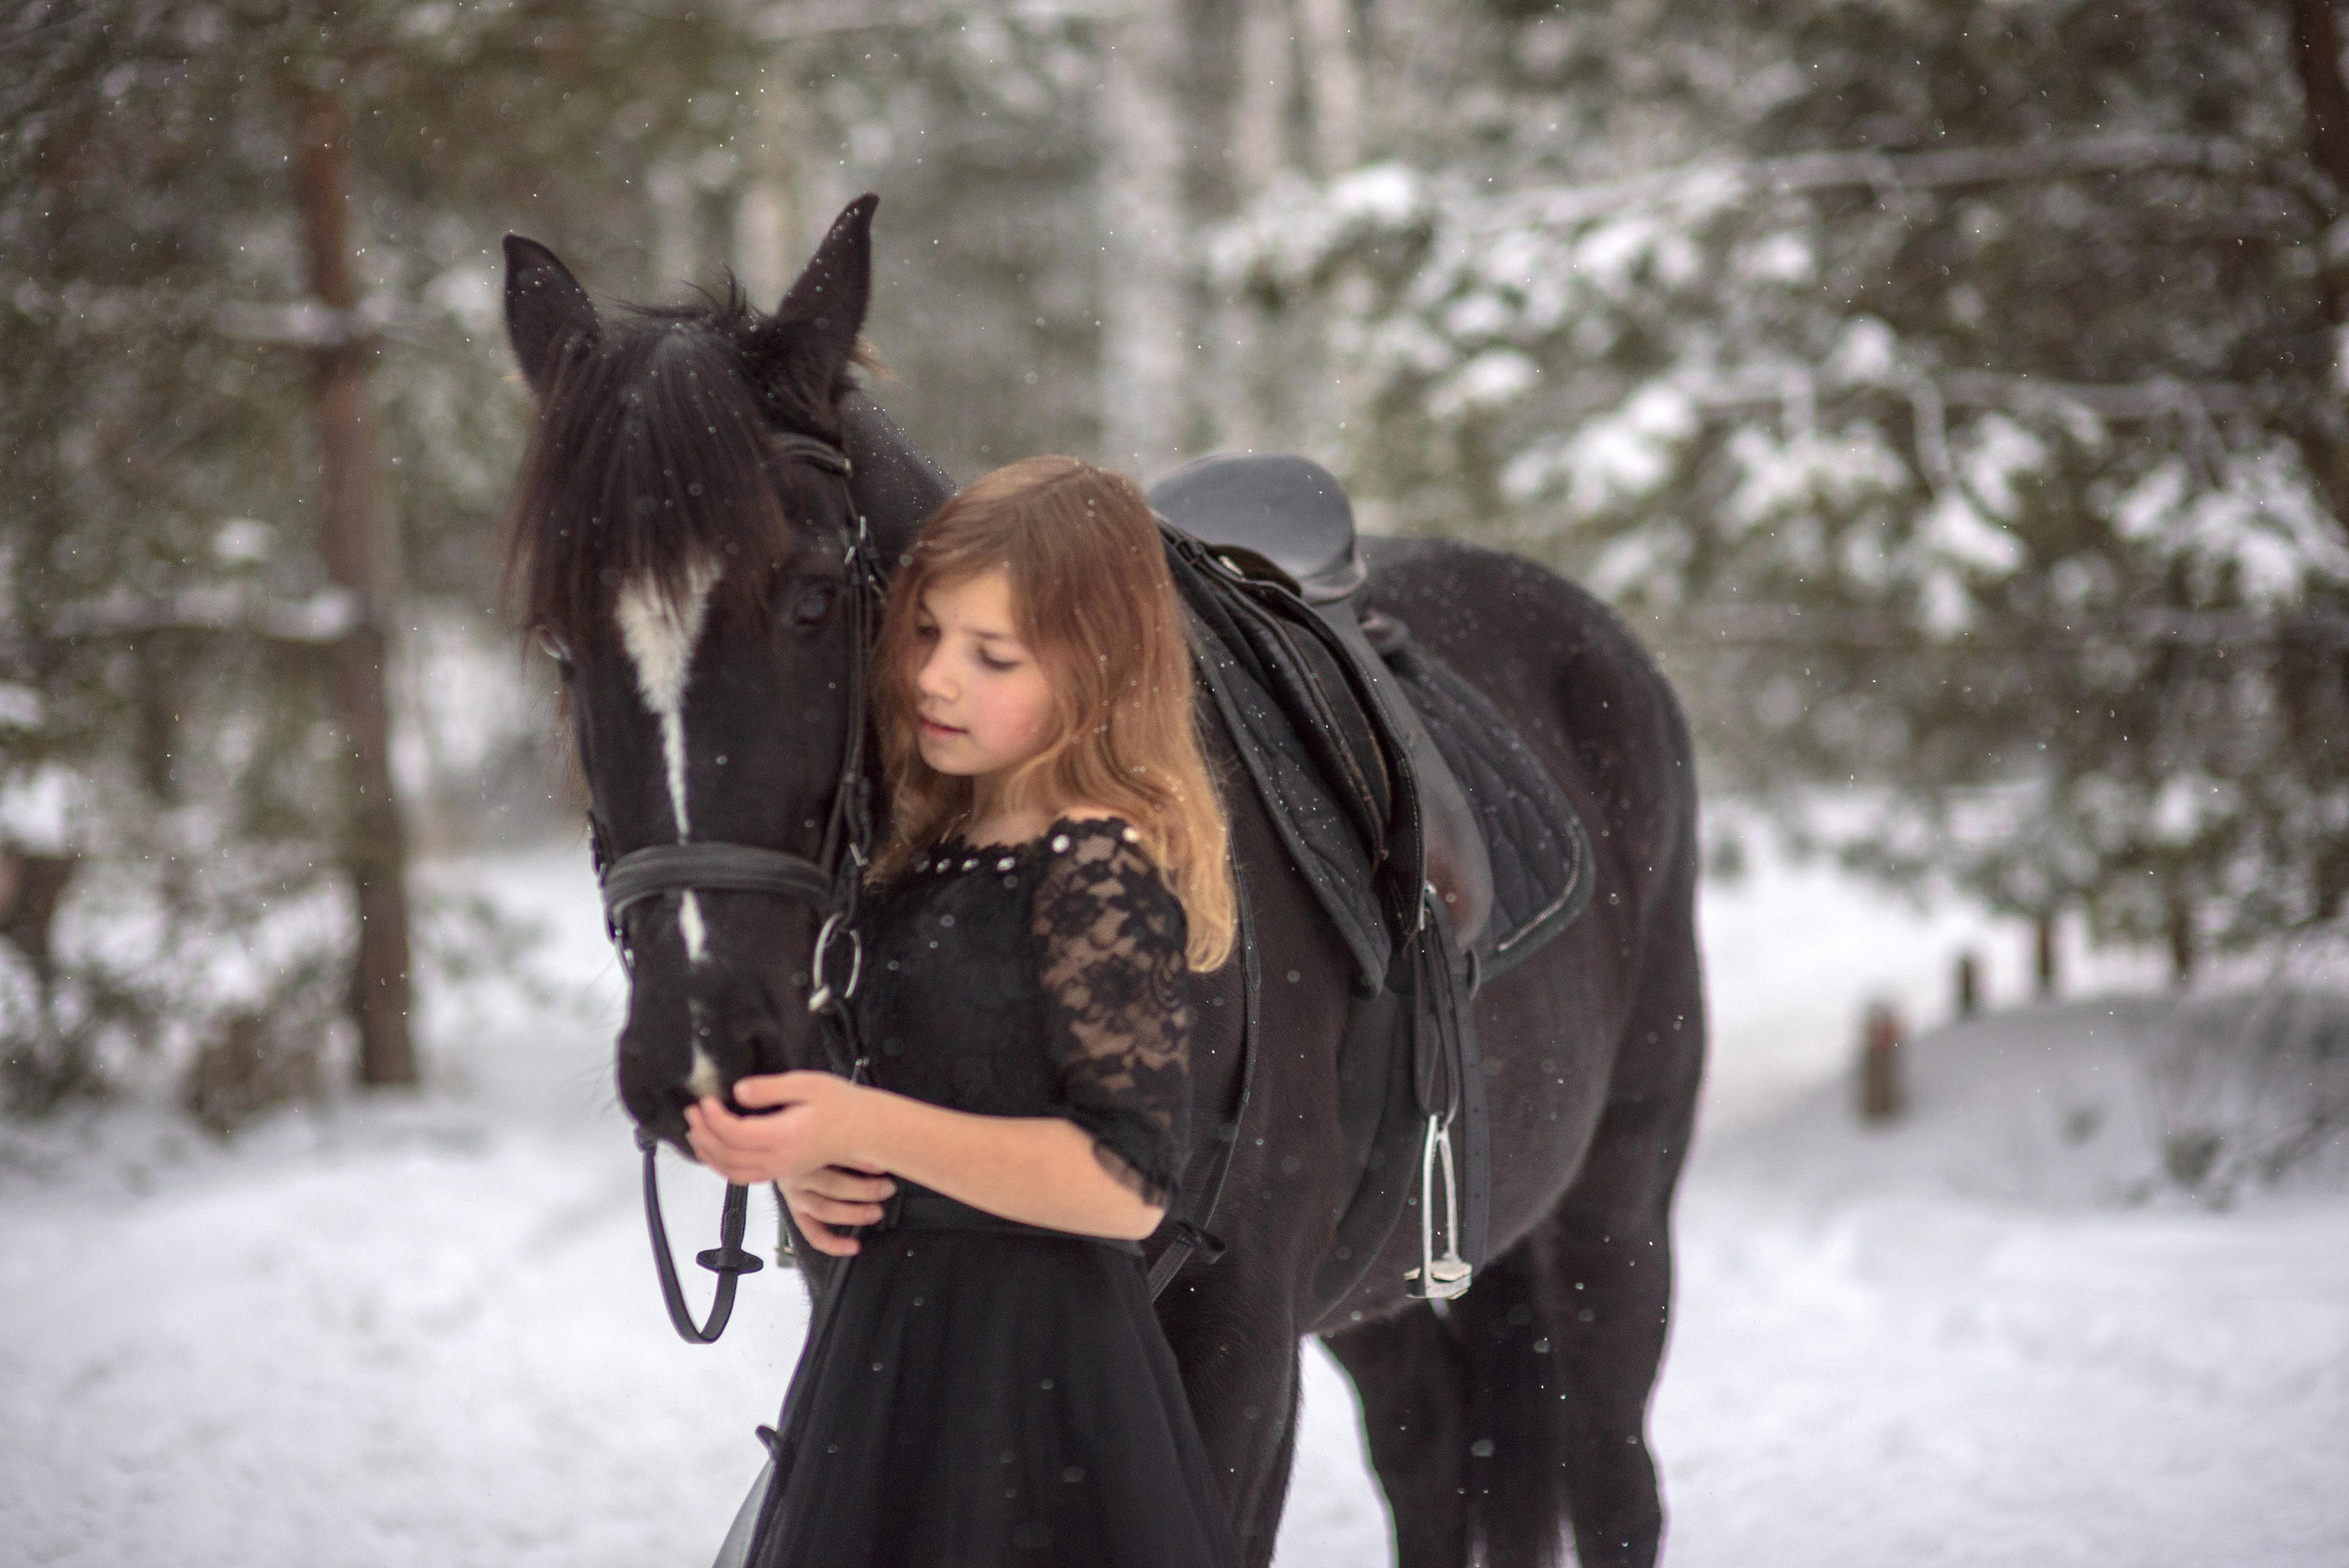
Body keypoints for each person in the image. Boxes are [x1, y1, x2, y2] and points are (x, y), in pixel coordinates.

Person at [683, 454, 1243, 1568]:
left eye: (992, 655)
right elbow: (900, 1080)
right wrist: (801, 1158)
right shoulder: (917, 852)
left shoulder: (1093, 864)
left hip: (1038, 1388)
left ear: (1096, 669)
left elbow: (1126, 1185)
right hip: (886, 1357)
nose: (937, 677)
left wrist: (861, 1126)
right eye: (927, 632)